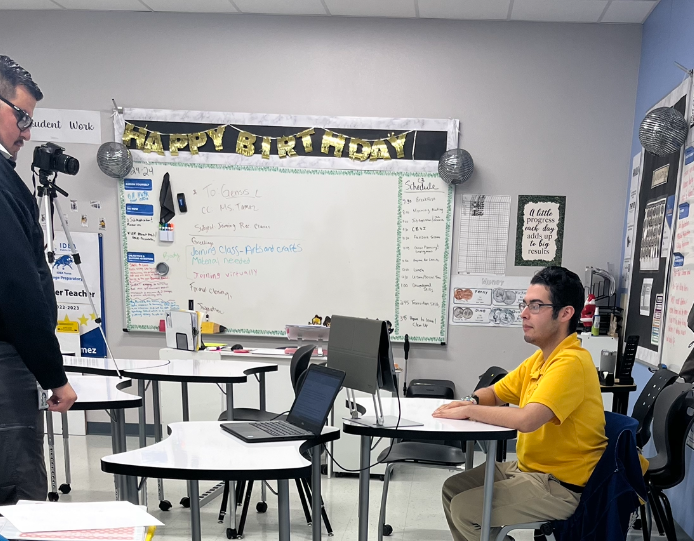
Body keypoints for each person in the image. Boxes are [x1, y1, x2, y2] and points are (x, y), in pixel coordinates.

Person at [434, 266, 607, 541]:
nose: (524, 314)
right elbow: (496, 392)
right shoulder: (541, 359)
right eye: (525, 305)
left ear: (565, 313)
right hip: (530, 469)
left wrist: (468, 410)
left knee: (466, 510)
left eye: (536, 306)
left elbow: (527, 420)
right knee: (452, 489)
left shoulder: (571, 362)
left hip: (561, 486)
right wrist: (472, 400)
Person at [0, 55, 77, 504]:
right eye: (21, 117)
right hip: (5, 365)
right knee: (16, 498)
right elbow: (16, 288)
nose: (27, 133)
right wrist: (54, 375)